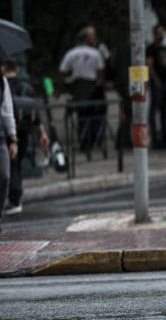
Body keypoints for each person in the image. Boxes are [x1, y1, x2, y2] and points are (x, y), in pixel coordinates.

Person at [1, 59, 50, 215]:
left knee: (11, 167)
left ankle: (14, 199)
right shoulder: (26, 87)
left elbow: (7, 112)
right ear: (16, 69)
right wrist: (42, 132)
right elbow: (35, 113)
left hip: (8, 133)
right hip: (24, 132)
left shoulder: (4, 84)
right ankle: (15, 197)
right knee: (16, 166)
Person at [59, 26, 106, 159]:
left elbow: (62, 72)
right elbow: (100, 74)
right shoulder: (96, 54)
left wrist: (59, 90)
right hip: (91, 92)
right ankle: (90, 141)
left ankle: (84, 141)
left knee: (81, 118)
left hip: (77, 93)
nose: (94, 38)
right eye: (92, 36)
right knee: (93, 116)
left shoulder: (71, 53)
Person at [146, 24, 166, 148]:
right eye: (158, 33)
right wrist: (156, 80)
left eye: (162, 33)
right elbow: (149, 66)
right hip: (156, 82)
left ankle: (163, 135)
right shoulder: (151, 49)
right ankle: (155, 137)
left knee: (164, 110)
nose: (160, 35)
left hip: (165, 82)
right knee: (154, 109)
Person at [1, 70, 19, 231]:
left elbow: (7, 112)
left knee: (4, 176)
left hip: (0, 137)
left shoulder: (2, 81)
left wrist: (13, 139)